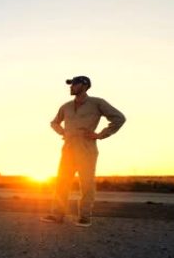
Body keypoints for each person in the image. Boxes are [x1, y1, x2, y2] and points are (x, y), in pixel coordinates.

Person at [40, 75, 126, 227]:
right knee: (62, 182)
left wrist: (100, 135)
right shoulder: (66, 106)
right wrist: (62, 132)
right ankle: (57, 215)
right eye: (71, 84)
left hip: (86, 148)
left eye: (74, 84)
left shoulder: (97, 103)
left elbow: (119, 118)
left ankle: (85, 217)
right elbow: (54, 122)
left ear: (84, 85)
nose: (71, 87)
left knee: (86, 183)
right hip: (67, 148)